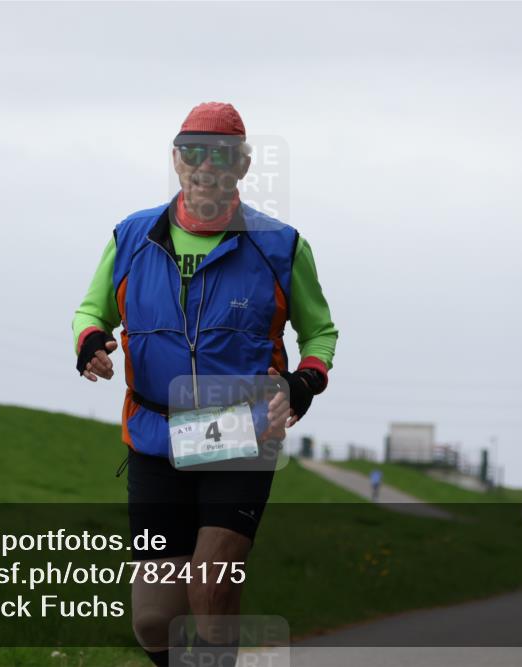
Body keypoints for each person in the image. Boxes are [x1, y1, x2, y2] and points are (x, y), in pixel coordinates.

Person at [72, 102, 338, 667]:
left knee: (211, 592)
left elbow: (320, 334)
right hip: (154, 435)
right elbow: (91, 312)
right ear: (175, 159)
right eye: (191, 151)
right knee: (152, 620)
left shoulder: (280, 246)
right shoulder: (132, 236)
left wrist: (303, 382)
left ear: (242, 166)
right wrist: (90, 344)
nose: (204, 166)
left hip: (241, 433)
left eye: (219, 155)